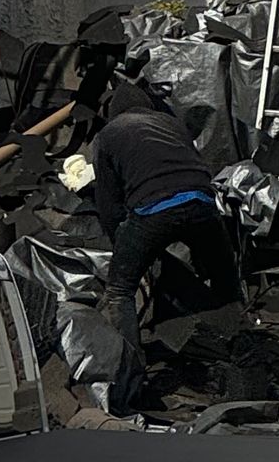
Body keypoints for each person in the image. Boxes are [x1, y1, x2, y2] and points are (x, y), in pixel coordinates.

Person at [91, 85, 240, 406]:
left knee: (119, 293)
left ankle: (131, 384)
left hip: (154, 209)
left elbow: (108, 204)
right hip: (204, 203)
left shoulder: (108, 135)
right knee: (226, 282)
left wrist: (124, 248)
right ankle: (243, 357)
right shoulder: (172, 125)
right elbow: (184, 171)